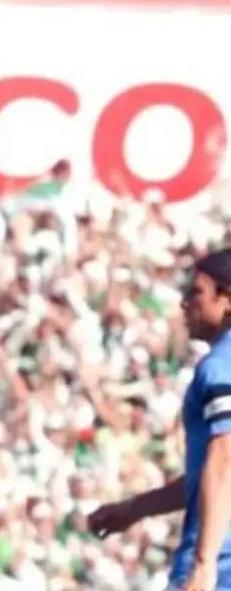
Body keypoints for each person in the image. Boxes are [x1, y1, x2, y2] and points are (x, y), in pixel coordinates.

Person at [89, 248, 231, 591]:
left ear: (227, 299)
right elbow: (207, 479)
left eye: (196, 292)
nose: (185, 303)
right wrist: (134, 509)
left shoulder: (220, 366)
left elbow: (225, 457)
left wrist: (203, 565)